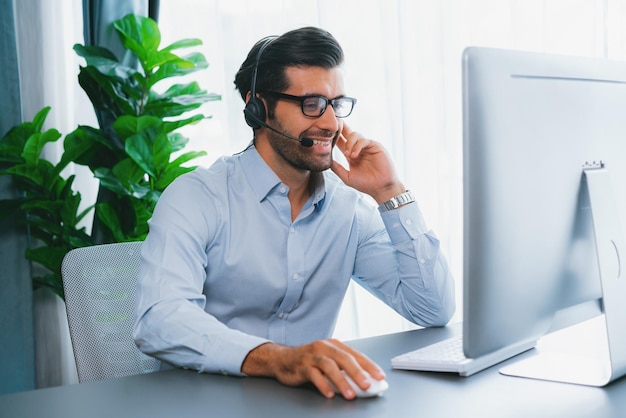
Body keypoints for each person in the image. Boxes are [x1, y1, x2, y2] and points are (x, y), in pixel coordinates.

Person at [133, 26, 455, 400]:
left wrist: (389, 192)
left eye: (336, 104)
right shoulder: (197, 198)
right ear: (259, 107)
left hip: (305, 406)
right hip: (205, 403)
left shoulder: (347, 210)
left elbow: (432, 309)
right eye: (312, 104)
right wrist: (280, 360)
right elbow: (159, 320)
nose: (332, 124)